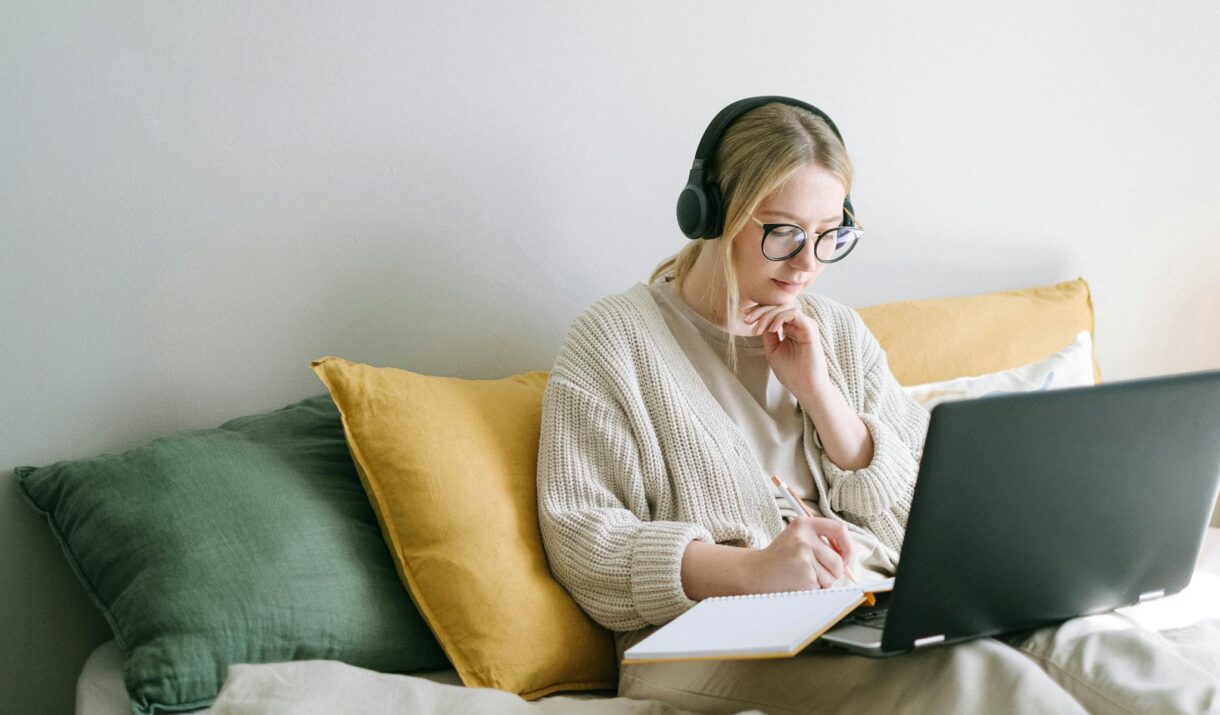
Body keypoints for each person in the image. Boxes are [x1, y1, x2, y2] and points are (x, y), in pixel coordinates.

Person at [536, 97, 1220, 714]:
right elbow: (584, 540)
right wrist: (749, 570)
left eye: (829, 233)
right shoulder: (613, 342)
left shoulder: (833, 331)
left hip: (868, 605)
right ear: (713, 215)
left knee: (1099, 646)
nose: (807, 263)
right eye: (781, 231)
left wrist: (824, 397)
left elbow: (928, 510)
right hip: (700, 643)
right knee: (982, 679)